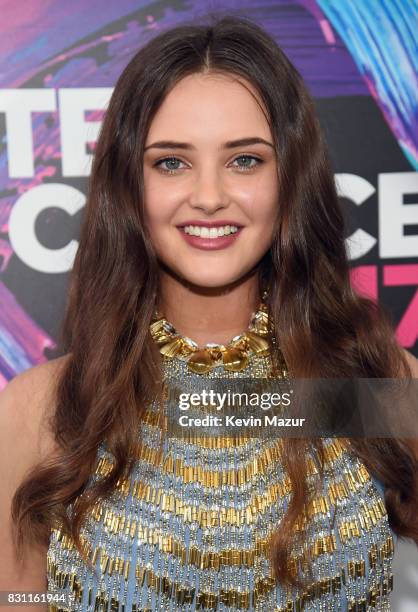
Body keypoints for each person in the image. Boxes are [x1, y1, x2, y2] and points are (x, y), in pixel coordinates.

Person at [1, 13, 418, 612]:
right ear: (129, 185)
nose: (209, 195)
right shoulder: (45, 410)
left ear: (289, 179)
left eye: (245, 160)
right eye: (171, 162)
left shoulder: (370, 385)